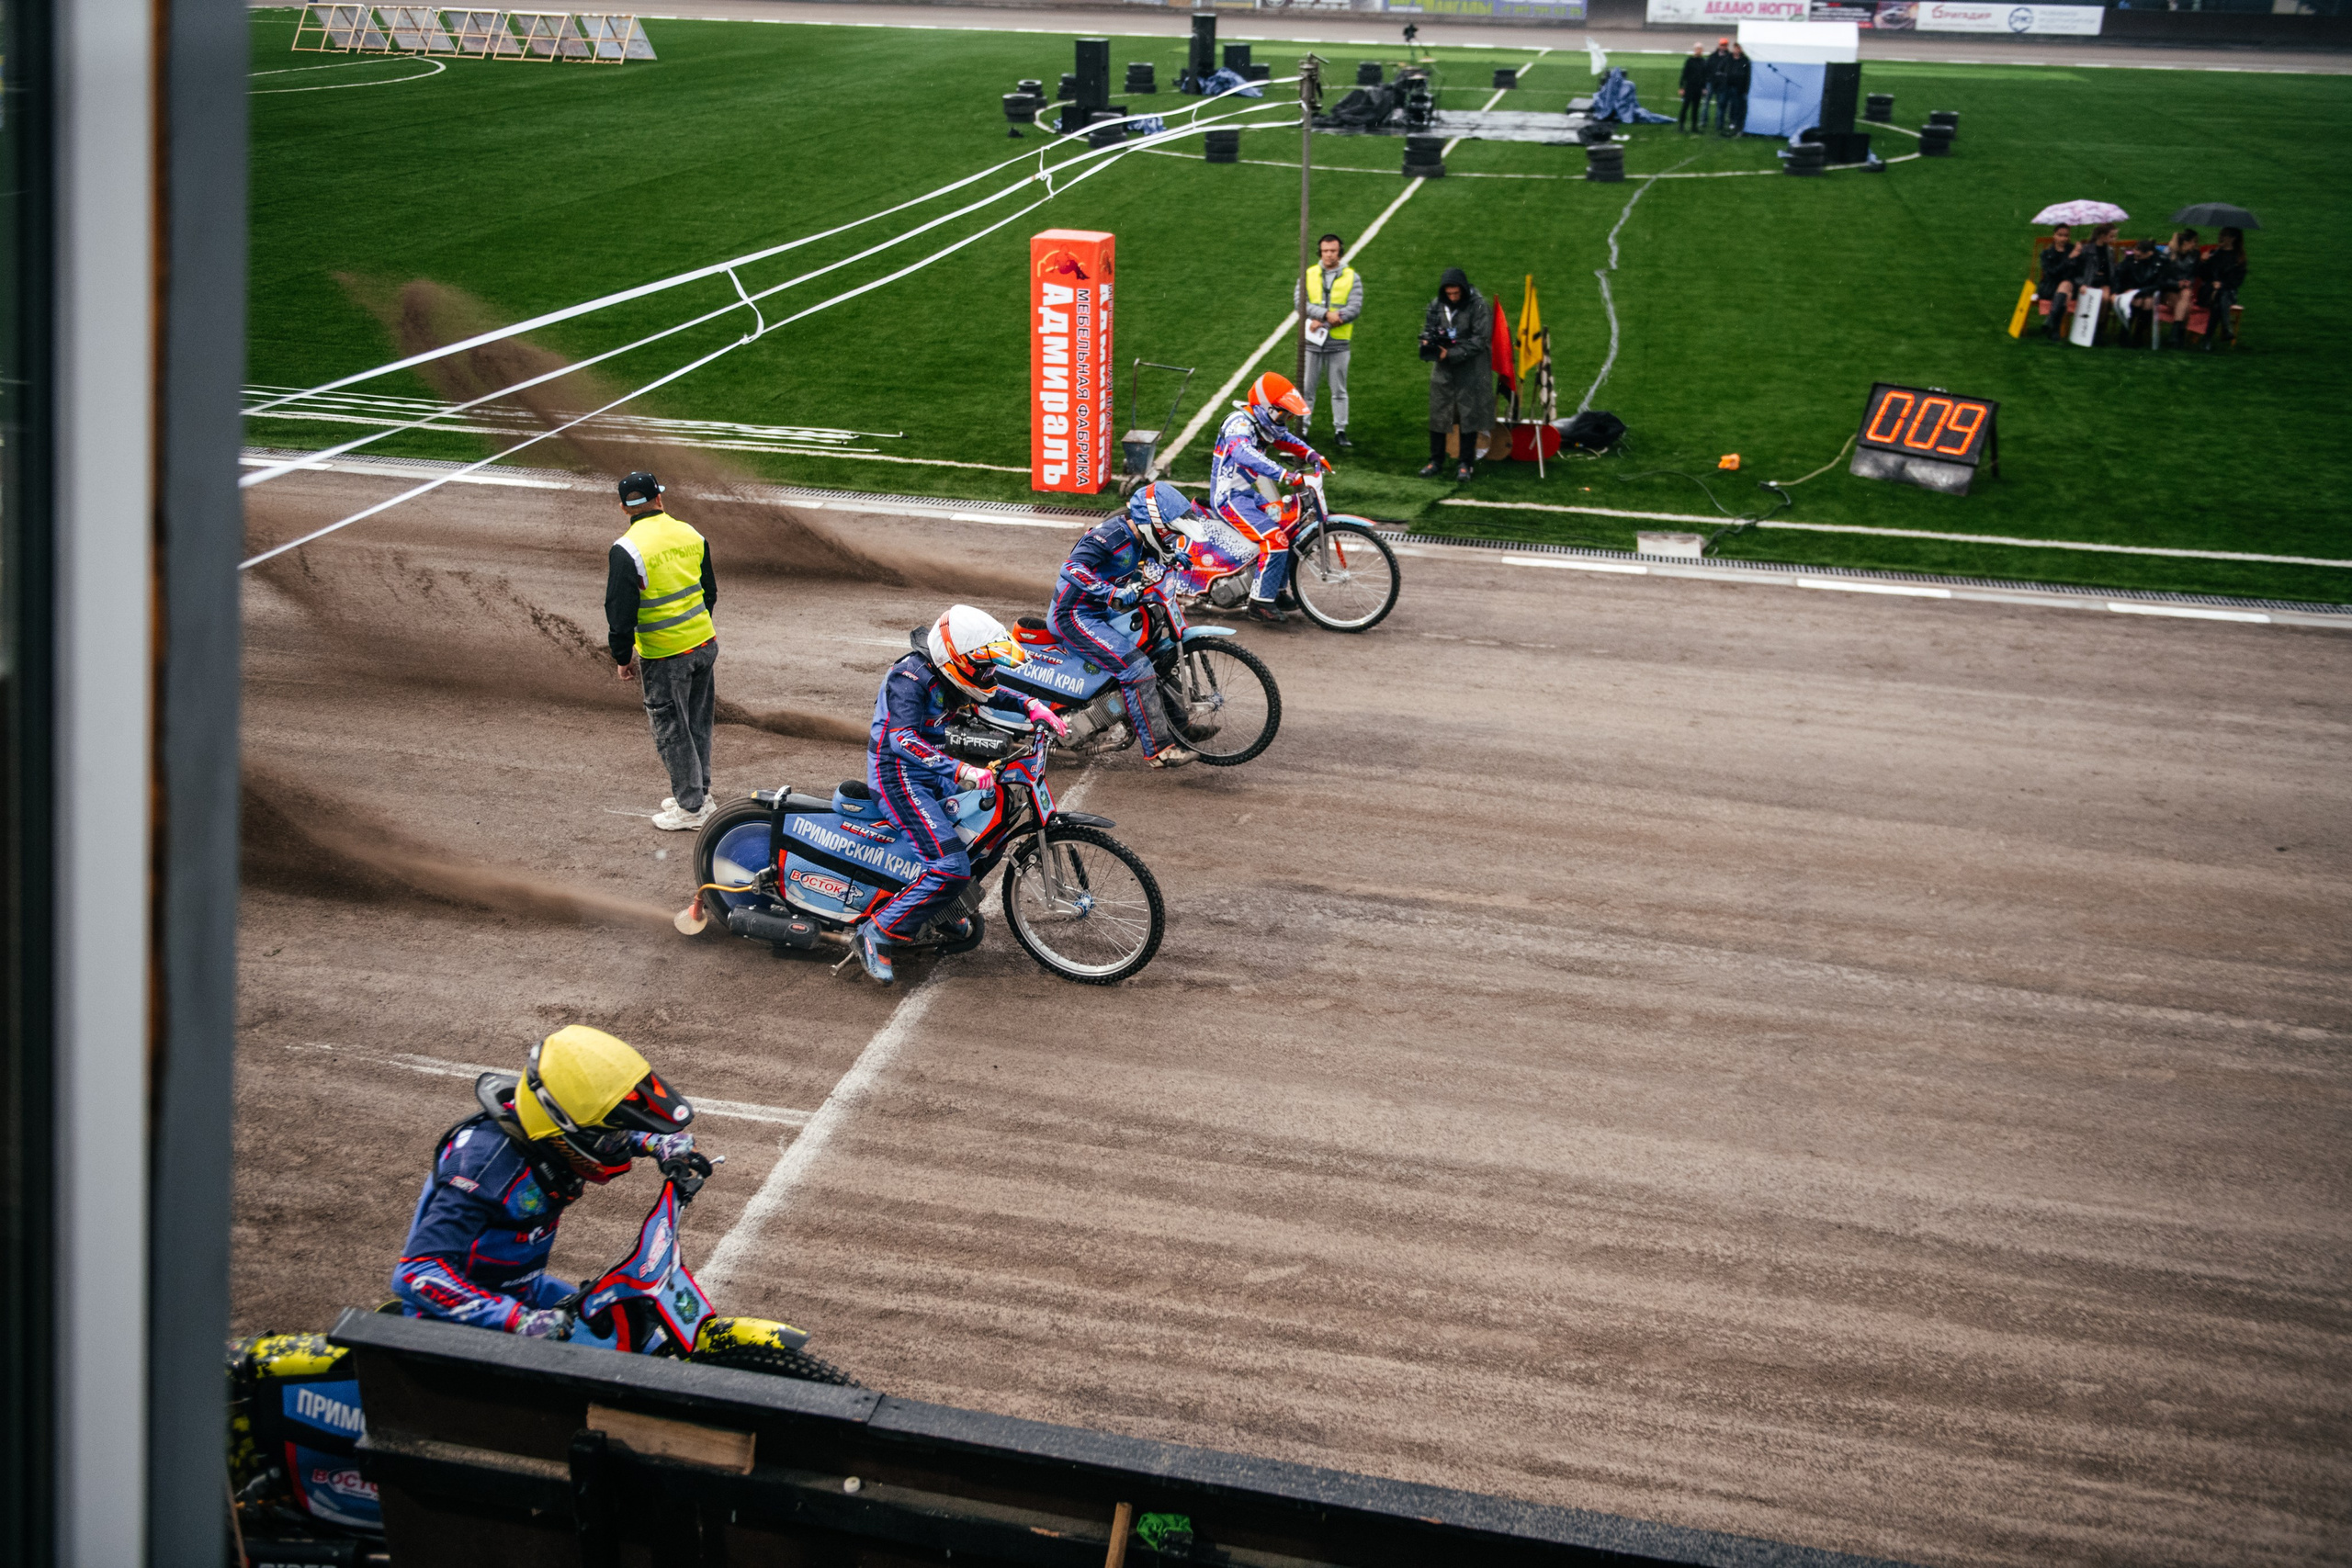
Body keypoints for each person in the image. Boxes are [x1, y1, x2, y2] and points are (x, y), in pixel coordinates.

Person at [390, 1026, 707, 1336]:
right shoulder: (482, 1170)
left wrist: (655, 1142)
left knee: (640, 1346)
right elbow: (418, 1271)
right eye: (615, 1138)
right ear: (557, 1125)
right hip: (458, 1327)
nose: (620, 1143)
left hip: (527, 1291)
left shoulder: (542, 1122)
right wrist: (517, 1320)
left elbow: (596, 1127)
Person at [859, 605, 1064, 985]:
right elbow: (901, 740)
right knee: (950, 865)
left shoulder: (953, 670)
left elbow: (990, 690)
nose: (988, 674)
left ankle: (940, 906)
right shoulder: (909, 677)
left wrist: (1031, 705)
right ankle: (879, 931)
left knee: (989, 833)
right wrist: (961, 770)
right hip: (898, 776)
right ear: (957, 659)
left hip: (933, 769)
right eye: (983, 667)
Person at [1049, 481, 1197, 769]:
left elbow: (1140, 555)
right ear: (1153, 523)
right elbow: (1071, 568)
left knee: (1152, 650)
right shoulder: (1108, 536)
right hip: (1075, 615)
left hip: (1102, 611)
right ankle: (1159, 751)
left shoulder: (1138, 537)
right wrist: (1111, 592)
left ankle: (1182, 727)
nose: (1172, 537)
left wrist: (1169, 556)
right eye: (1170, 532)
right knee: (1136, 667)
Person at [605, 470, 719, 831]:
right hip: (703, 643)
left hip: (664, 655)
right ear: (660, 499)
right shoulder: (692, 534)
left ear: (625, 508)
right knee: (698, 723)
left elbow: (619, 612)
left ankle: (691, 808)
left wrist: (623, 657)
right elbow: (709, 591)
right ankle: (700, 793)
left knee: (672, 731)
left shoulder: (626, 550)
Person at [1208, 371, 1329, 625]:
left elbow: (1286, 439)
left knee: (1286, 525)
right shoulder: (1239, 423)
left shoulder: (1262, 423)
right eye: (1281, 413)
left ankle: (1274, 590)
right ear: (1265, 407)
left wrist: (1312, 455)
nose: (1284, 420)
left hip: (1247, 496)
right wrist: (1286, 474)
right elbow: (1244, 454)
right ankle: (1260, 603)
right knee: (1275, 539)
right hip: (1229, 499)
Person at [1420, 267, 1493, 483]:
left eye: (1456, 294)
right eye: (1449, 294)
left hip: (1470, 367)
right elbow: (1428, 328)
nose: (1452, 297)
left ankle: (1465, 463)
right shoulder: (1436, 304)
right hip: (1443, 366)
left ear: (1463, 290)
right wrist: (1427, 343)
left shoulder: (1478, 305)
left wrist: (1450, 353)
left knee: (1468, 415)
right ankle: (1436, 460)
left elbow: (1480, 340)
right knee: (1439, 411)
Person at [1294, 233, 1362, 451]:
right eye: (1325, 251)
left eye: (1333, 251)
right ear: (1320, 252)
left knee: (1339, 389)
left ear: (1339, 252)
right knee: (1307, 388)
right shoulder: (1309, 273)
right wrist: (1326, 315)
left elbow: (1354, 308)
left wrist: (1326, 322)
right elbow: (1299, 301)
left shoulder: (1352, 277)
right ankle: (1302, 429)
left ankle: (1340, 430)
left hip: (1338, 343)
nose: (1329, 254)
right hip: (1312, 343)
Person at [2193, 226, 2246, 350]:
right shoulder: (2213, 254)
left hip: (2227, 292)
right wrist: (2203, 262)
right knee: (2220, 296)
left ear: (2233, 239)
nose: (2220, 237)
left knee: (2218, 300)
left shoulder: (2238, 258)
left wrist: (2221, 285)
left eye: (2225, 235)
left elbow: (2237, 281)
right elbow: (2202, 275)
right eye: (2221, 234)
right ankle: (2226, 328)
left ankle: (2207, 339)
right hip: (2208, 291)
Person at [2034, 225, 2081, 340]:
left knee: (2066, 285)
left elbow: (2077, 272)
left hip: (2069, 285)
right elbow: (2051, 273)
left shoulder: (2074, 250)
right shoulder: (2047, 253)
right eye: (2060, 235)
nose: (2063, 238)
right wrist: (2069, 259)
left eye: (2066, 235)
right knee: (2066, 291)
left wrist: (2078, 255)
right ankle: (2055, 327)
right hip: (2050, 286)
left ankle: (2051, 321)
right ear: (2054, 236)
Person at [1718, 42, 1751, 136]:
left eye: (1739, 48)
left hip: (1738, 88)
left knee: (1736, 107)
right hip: (1727, 86)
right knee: (1723, 104)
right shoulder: (1728, 58)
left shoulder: (1745, 61)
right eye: (1736, 48)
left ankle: (1735, 124)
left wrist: (1745, 88)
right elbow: (1720, 69)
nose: (1737, 50)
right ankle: (1721, 124)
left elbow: (1747, 76)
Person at [1677, 43, 1710, 133]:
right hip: (1689, 87)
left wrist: (1704, 88)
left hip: (1698, 88)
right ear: (1694, 50)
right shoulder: (1690, 61)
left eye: (1700, 49)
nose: (1698, 51)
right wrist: (1681, 87)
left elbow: (1704, 76)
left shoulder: (1703, 62)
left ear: (1702, 50)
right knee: (1685, 107)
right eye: (1697, 49)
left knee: (1695, 108)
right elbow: (1684, 74)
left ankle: (1694, 127)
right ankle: (1681, 126)